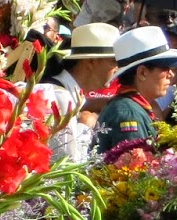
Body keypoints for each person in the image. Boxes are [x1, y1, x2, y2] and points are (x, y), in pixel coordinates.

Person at [93, 26, 177, 156]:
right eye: (164, 68)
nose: (171, 74)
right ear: (142, 72)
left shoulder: (132, 107)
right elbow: (134, 170)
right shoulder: (129, 113)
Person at [35, 23, 119, 164]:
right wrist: (86, 125)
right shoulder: (61, 97)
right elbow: (68, 164)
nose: (117, 69)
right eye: (113, 62)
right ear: (92, 62)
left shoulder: (66, 93)